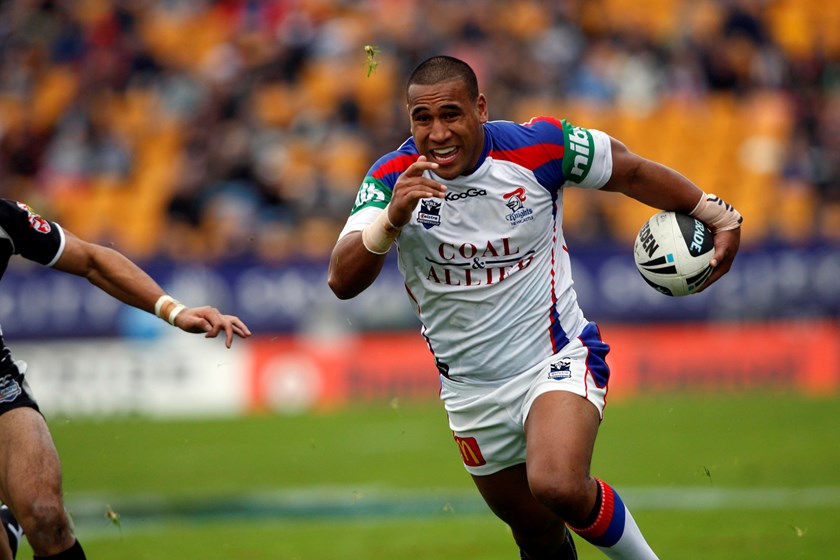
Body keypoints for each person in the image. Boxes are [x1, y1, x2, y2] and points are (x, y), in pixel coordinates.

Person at [328, 55, 742, 559]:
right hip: (469, 392)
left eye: (451, 115)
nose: (437, 133)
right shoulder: (393, 177)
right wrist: (391, 219)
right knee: (536, 532)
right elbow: (341, 280)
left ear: (480, 108)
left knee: (559, 485)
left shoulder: (539, 146)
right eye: (422, 119)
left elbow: (628, 169)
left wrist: (712, 212)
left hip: (555, 358)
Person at [0, 199, 252, 559]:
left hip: (0, 385)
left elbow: (91, 260)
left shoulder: (5, 218)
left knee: (45, 517)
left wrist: (174, 311)